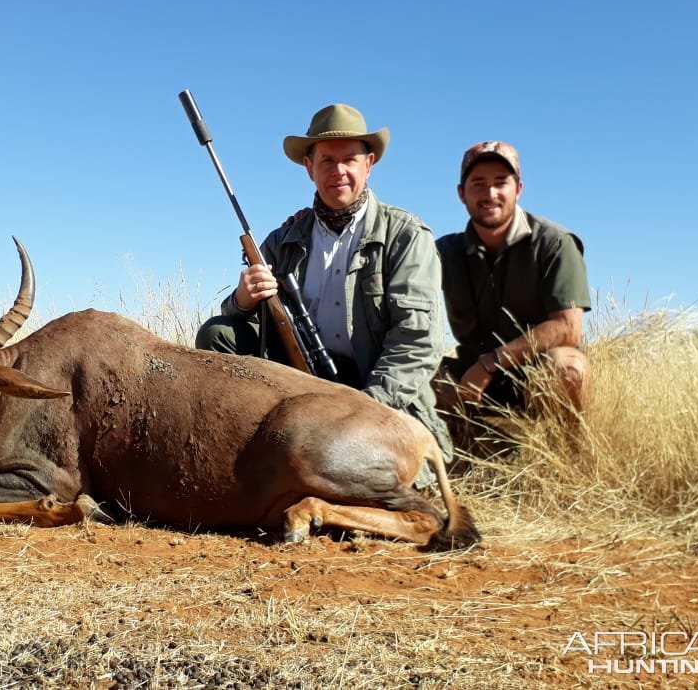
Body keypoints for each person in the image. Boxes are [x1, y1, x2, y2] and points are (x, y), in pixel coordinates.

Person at [195, 103, 454, 469]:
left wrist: (364, 414)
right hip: (301, 385)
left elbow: (417, 342)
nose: (339, 172)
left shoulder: (407, 235)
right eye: (327, 161)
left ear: (370, 163)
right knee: (217, 334)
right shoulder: (282, 239)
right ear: (309, 167)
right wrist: (242, 300)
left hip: (373, 394)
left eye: (350, 160)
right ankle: (239, 450)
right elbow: (248, 323)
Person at [435, 140, 592, 420]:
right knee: (413, 375)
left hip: (535, 371)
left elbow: (568, 328)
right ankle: (464, 449)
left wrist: (490, 363)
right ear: (461, 193)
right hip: (471, 376)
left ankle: (568, 453)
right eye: (478, 183)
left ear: (518, 189)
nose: (490, 193)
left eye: (501, 182)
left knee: (568, 368)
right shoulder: (443, 251)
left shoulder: (554, 243)